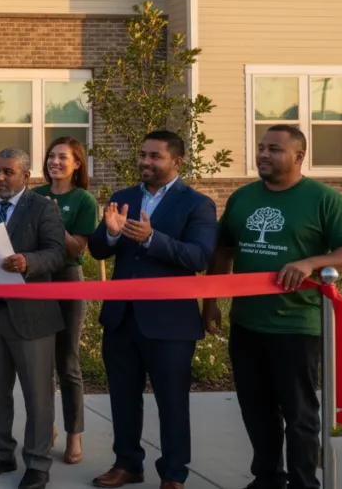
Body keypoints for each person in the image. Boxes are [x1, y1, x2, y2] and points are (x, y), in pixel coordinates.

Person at [204, 125, 342, 489]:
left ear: (298, 156)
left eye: (274, 149)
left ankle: (303, 482)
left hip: (297, 325)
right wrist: (210, 303)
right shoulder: (242, 198)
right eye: (261, 147)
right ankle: (267, 479)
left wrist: (311, 263)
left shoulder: (324, 199)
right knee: (257, 411)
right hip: (247, 324)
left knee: (300, 415)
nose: (263, 154)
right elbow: (223, 251)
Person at [87, 130, 217, 489]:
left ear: (177, 162)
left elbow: (200, 257)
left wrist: (153, 239)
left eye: (155, 156)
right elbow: (99, 250)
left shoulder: (197, 204)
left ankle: (174, 474)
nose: (145, 162)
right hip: (121, 318)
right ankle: (127, 464)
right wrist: (111, 235)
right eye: (143, 155)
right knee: (123, 399)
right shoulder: (123, 197)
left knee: (172, 403)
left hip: (169, 322)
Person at [0, 148, 66, 489]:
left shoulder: (43, 208)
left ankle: (38, 462)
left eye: (7, 172)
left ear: (26, 176)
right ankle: (0, 452)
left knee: (37, 395)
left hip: (31, 317)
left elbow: (57, 253)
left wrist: (28, 261)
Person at [32, 137, 98, 465]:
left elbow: (77, 250)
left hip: (68, 282)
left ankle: (74, 435)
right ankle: (48, 427)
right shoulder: (35, 196)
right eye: (51, 156)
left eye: (63, 157)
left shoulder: (83, 200)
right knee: (40, 364)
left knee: (67, 363)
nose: (55, 162)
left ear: (76, 164)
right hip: (38, 283)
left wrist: (56, 221)